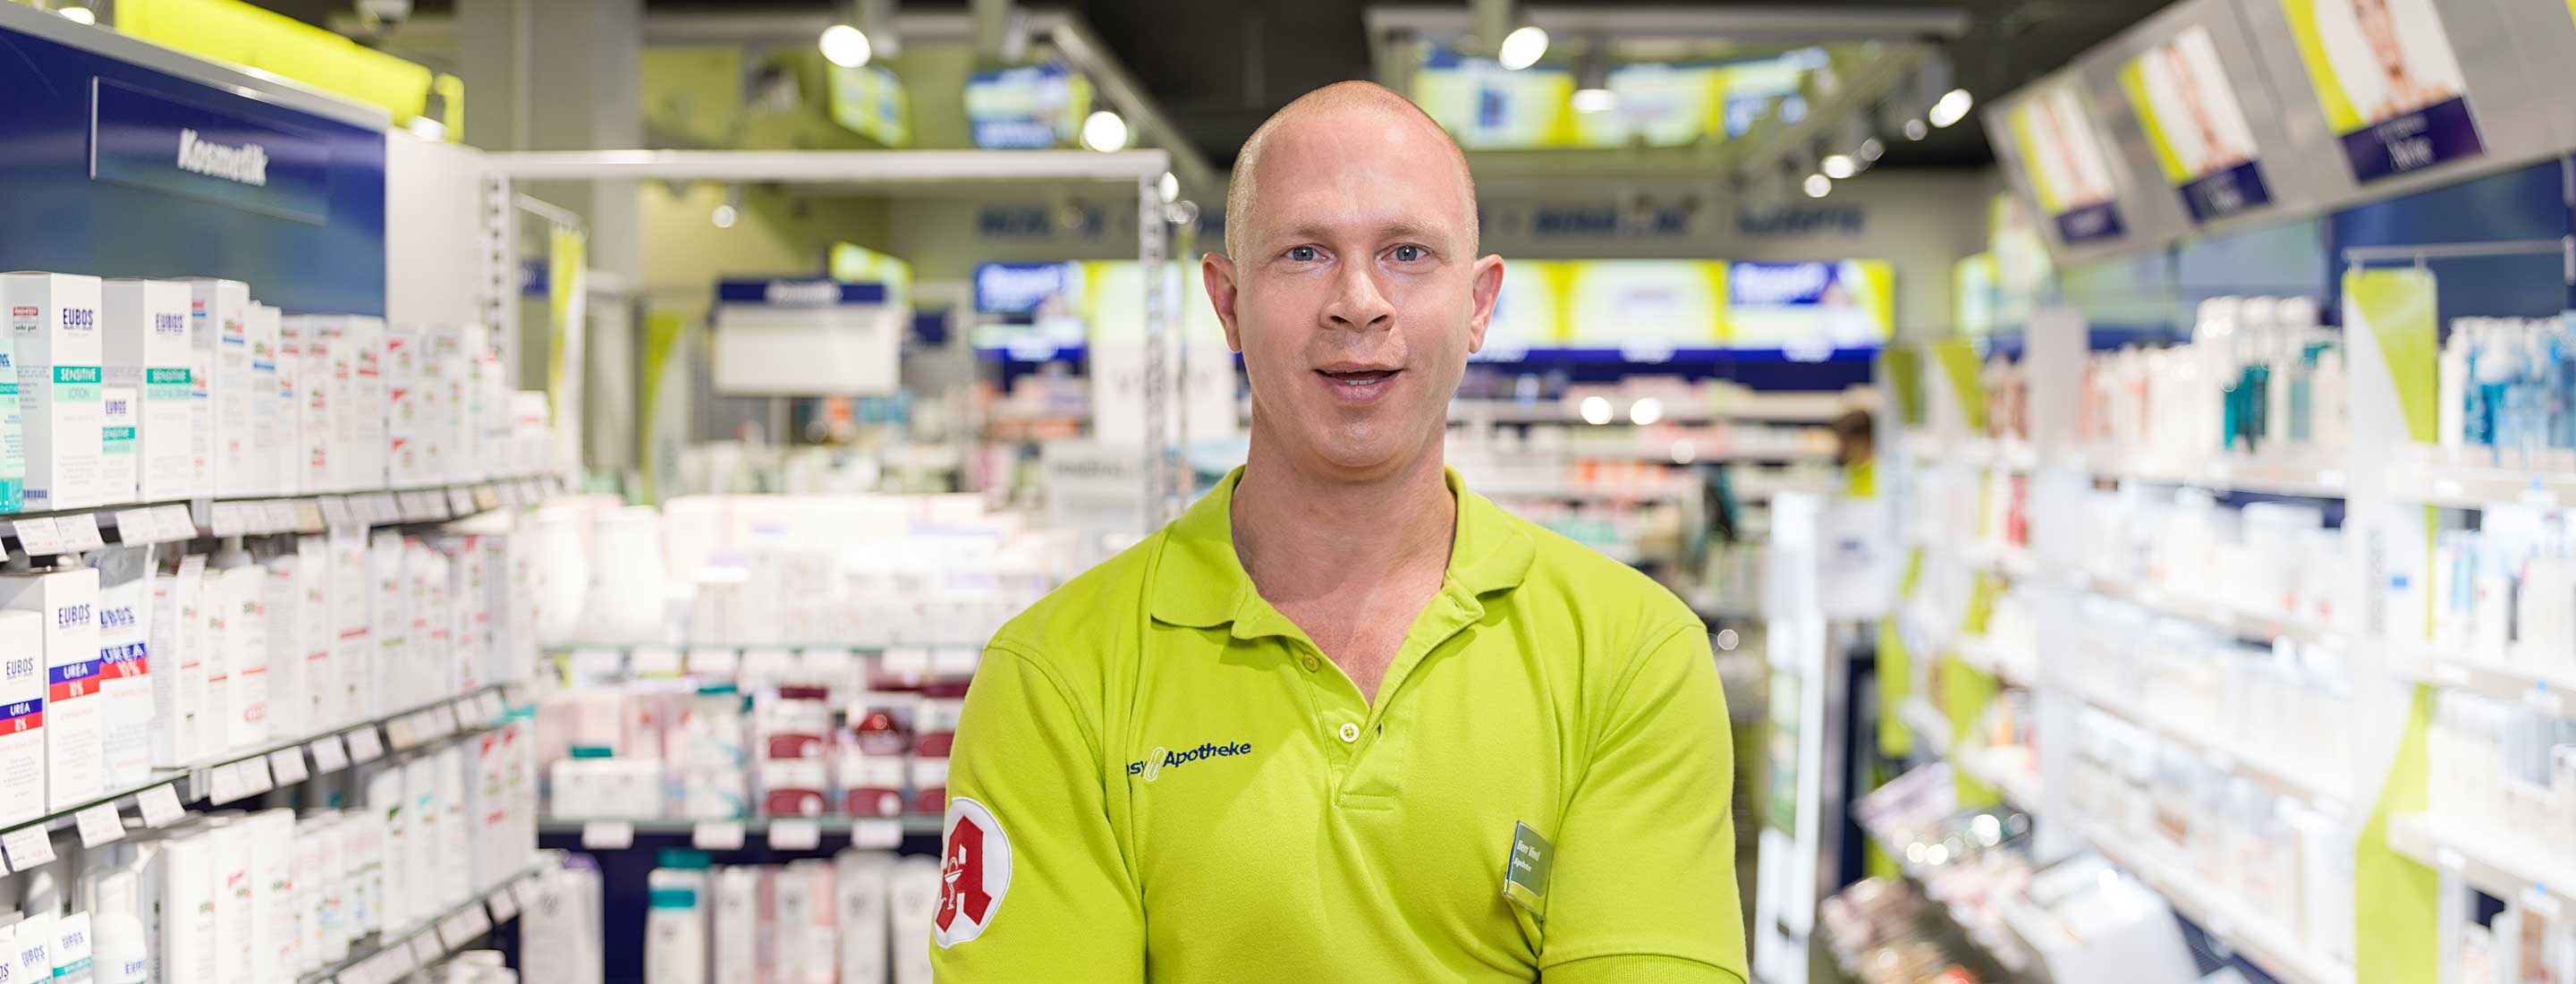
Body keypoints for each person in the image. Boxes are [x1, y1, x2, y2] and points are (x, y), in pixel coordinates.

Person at [929, 81, 1748, 983]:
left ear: (1479, 303)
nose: (1358, 301)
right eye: (1305, 252)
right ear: (1227, 302)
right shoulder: (1055, 677)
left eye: (1406, 251)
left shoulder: (1633, 651)